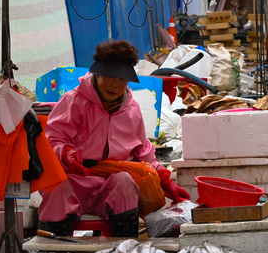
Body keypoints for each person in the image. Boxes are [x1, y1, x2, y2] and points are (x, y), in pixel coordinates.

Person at [38, 40, 190, 236]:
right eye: (110, 76)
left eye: (122, 79)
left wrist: (167, 182)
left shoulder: (132, 110)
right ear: (97, 73)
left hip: (107, 186)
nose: (115, 84)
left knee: (125, 181)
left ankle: (123, 247)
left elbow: (145, 154)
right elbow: (53, 139)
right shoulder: (73, 101)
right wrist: (67, 153)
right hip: (73, 180)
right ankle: (58, 251)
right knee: (55, 184)